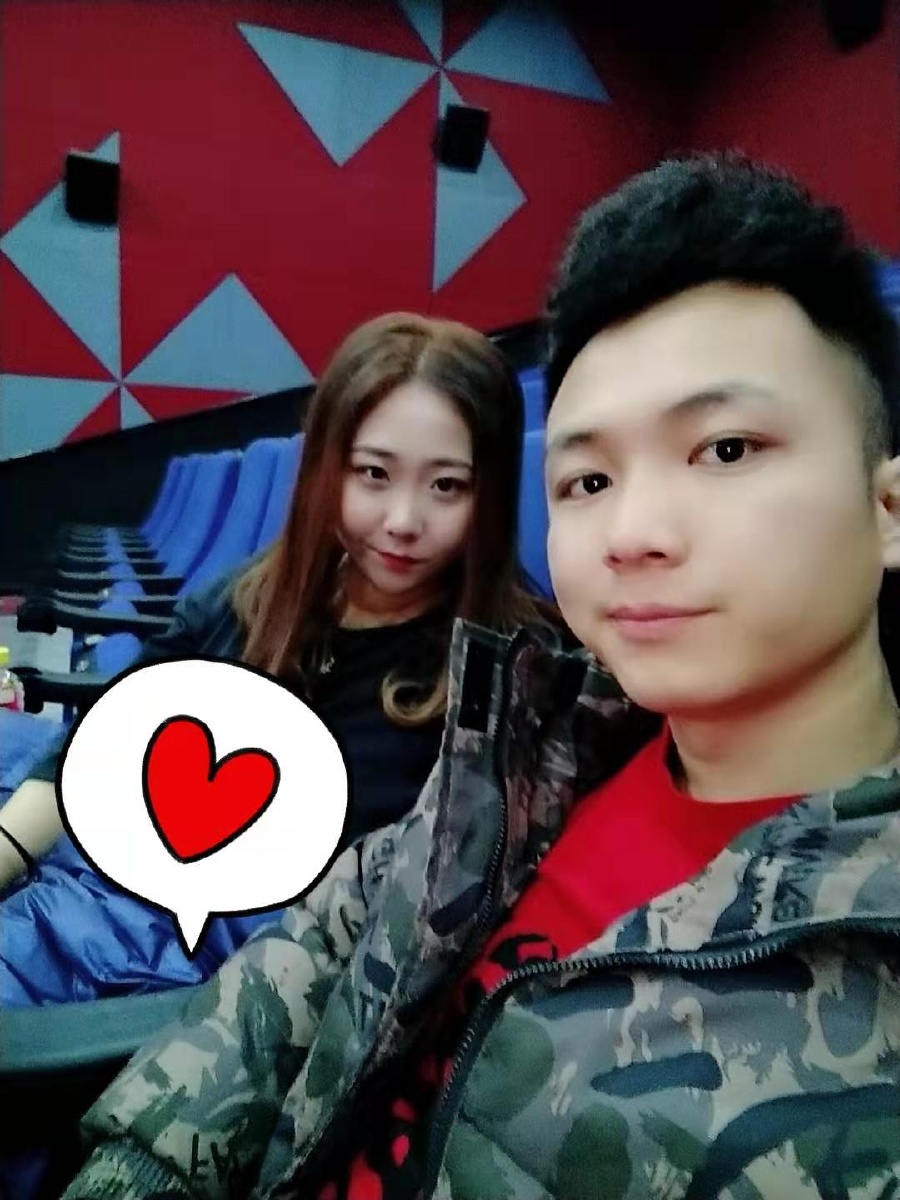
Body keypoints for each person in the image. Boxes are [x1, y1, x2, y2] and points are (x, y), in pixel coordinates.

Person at [60, 154, 900, 1200]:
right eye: (589, 479)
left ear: (887, 509)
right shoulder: (529, 748)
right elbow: (299, 967)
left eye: (726, 449)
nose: (632, 531)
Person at [0, 312, 553, 1007]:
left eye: (447, 486)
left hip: (183, 965)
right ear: (326, 468)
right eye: (373, 474)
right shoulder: (259, 594)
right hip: (118, 870)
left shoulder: (502, 674)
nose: (403, 520)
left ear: (490, 494)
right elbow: (102, 736)